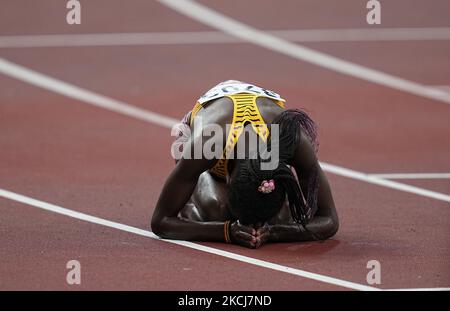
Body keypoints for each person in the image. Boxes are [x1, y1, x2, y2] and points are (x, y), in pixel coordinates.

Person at [151, 80, 338, 248]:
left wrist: (274, 231)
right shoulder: (207, 143)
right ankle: (197, 189)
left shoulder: (291, 139)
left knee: (280, 218)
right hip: (200, 131)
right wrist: (226, 231)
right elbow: (161, 221)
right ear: (228, 178)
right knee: (217, 210)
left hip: (254, 131)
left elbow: (329, 220)